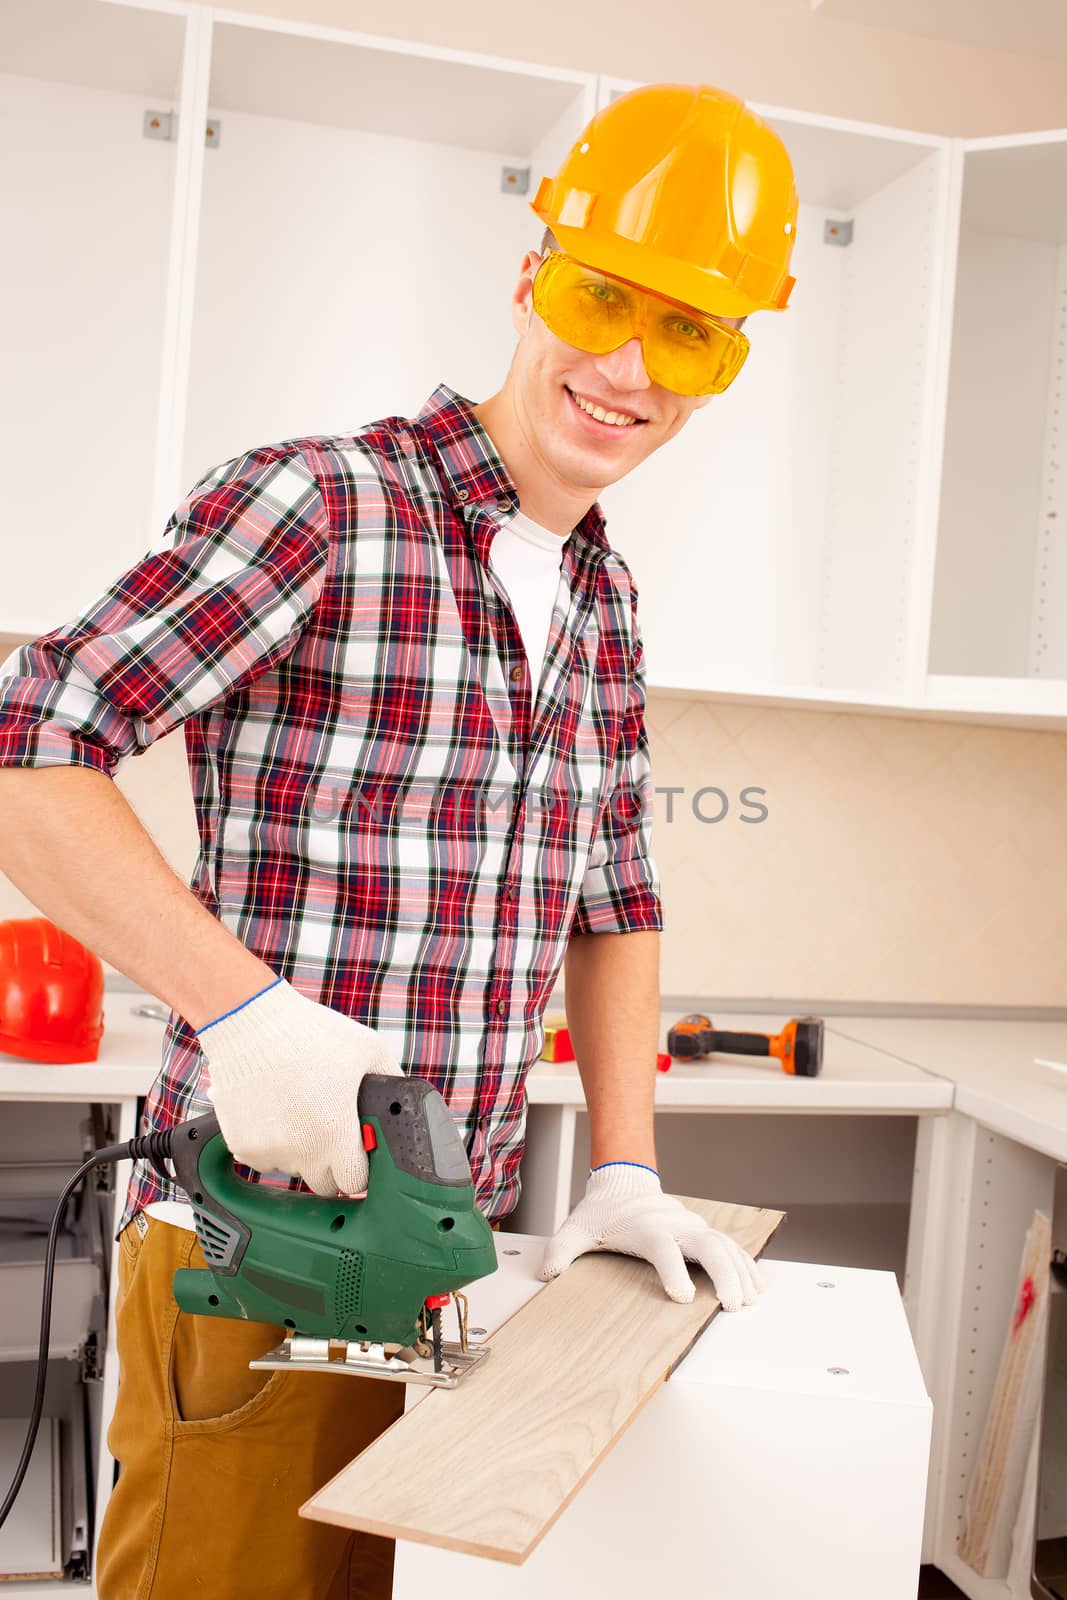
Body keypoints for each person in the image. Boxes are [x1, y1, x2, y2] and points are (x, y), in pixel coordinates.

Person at [0, 81, 798, 1600]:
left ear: (721, 367)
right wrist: (246, 1012)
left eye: (687, 332)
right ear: (529, 275)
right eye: (601, 297)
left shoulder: (607, 602)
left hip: (456, 1260)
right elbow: (28, 748)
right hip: (262, 1246)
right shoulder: (322, 504)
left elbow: (615, 894)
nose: (626, 366)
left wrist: (624, 1169)